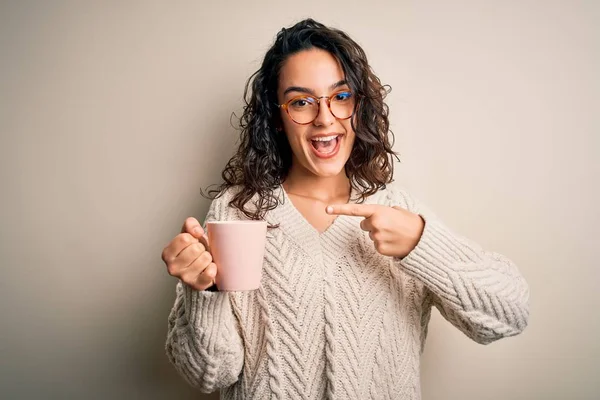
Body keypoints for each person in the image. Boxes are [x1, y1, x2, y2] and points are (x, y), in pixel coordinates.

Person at [161, 18, 530, 400]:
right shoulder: (237, 212)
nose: (325, 117)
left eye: (341, 96)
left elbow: (508, 316)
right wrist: (201, 290)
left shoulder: (397, 210)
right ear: (277, 116)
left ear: (359, 105)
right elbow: (210, 373)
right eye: (301, 101)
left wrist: (421, 244)